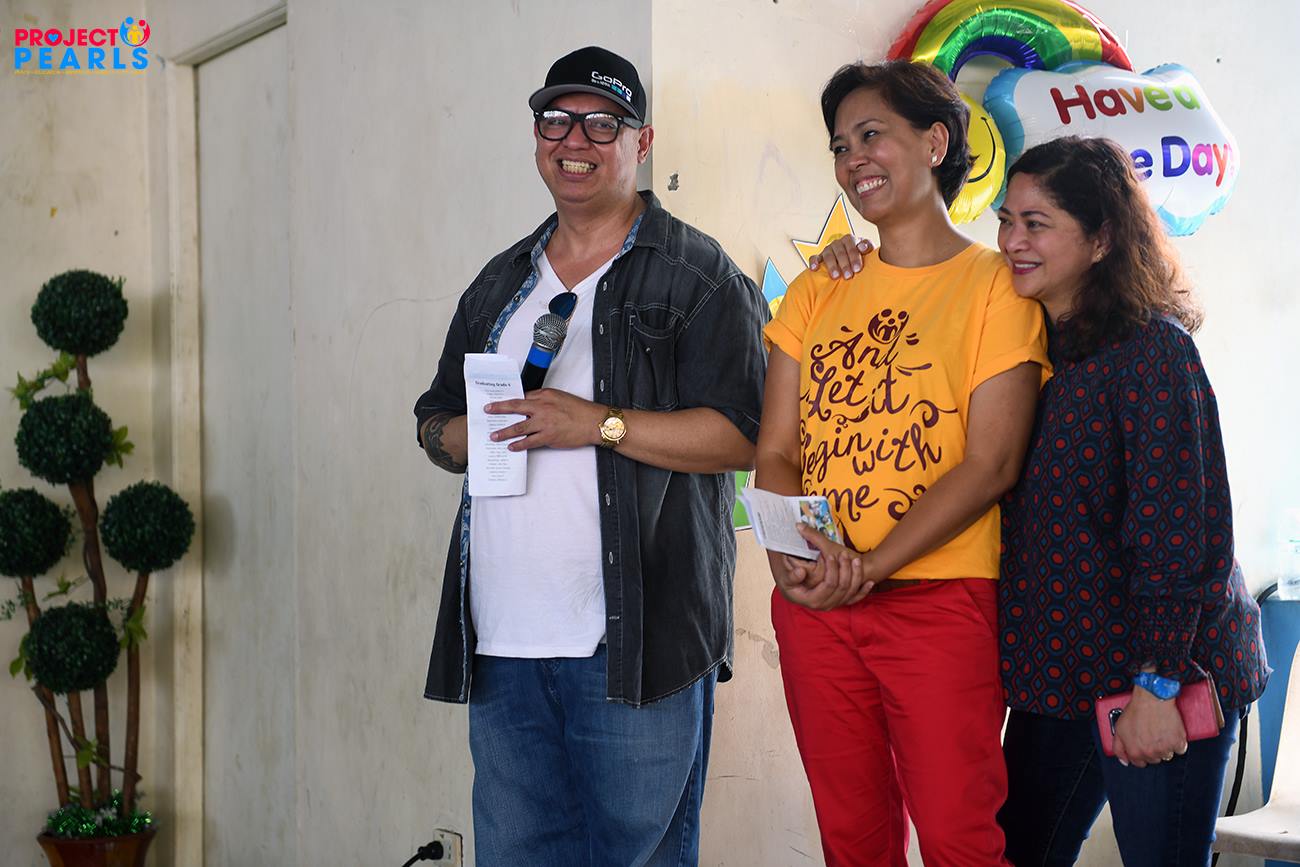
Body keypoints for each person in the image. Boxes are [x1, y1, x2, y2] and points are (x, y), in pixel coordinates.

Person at [412, 46, 767, 867]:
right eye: (557, 120)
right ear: (537, 136)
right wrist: (460, 437)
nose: (575, 139)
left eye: (602, 123)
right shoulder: (500, 282)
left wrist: (599, 423)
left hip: (637, 648)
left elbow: (745, 434)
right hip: (502, 643)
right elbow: (434, 418)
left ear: (641, 142)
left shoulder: (699, 276)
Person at [754, 60, 1049, 867]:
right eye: (840, 146)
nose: (854, 159)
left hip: (942, 601)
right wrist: (787, 554)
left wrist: (871, 565)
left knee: (959, 839)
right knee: (852, 840)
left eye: (871, 134)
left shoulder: (996, 286)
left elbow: (991, 463)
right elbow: (775, 450)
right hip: (817, 606)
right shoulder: (816, 290)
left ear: (935, 142)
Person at [992, 136, 1268, 867]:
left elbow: (1181, 534)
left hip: (1161, 672)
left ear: (1102, 238)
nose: (1012, 241)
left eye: (1036, 223)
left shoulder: (1153, 353)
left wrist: (1156, 683)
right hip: (1059, 675)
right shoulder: (1028, 348)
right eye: (1006, 220)